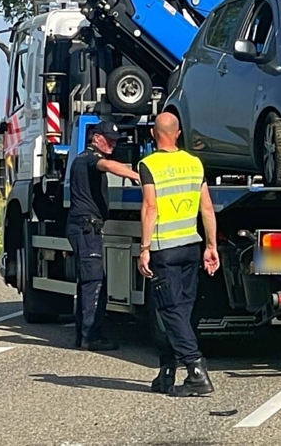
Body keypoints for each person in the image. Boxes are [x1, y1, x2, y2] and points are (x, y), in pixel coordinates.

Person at [138, 112, 220, 396]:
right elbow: (206, 208)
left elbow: (150, 207)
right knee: (182, 311)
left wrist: (144, 248)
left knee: (170, 312)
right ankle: (167, 371)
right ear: (178, 133)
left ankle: (196, 371)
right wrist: (211, 246)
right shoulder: (194, 163)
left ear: (153, 134)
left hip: (164, 249)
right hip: (190, 246)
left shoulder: (149, 164)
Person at [67, 120, 140, 351]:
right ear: (96, 137)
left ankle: (82, 335)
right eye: (108, 139)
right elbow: (107, 166)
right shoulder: (89, 158)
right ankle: (91, 336)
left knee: (87, 281)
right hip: (87, 228)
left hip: (84, 227)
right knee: (94, 283)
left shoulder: (83, 159)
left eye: (115, 141)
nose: (112, 144)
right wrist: (134, 174)